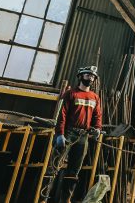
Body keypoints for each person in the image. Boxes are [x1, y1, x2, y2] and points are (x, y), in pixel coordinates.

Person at [54, 65, 102, 203]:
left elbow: (97, 115)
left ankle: (65, 200)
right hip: (68, 133)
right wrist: (60, 134)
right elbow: (61, 115)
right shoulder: (70, 93)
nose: (91, 78)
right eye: (88, 75)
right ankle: (43, 198)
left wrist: (97, 128)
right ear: (80, 76)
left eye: (93, 76)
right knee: (54, 165)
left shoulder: (95, 97)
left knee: (74, 171)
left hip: (83, 136)